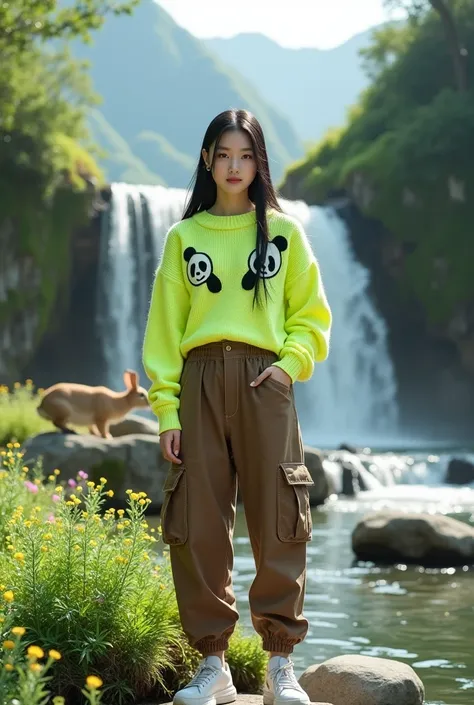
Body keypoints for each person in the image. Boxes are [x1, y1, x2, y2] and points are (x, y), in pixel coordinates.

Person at [142, 108, 332, 705]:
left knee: (280, 514)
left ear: (259, 163)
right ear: (207, 160)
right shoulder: (184, 238)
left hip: (263, 381)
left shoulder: (284, 232)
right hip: (197, 379)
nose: (233, 166)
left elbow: (311, 316)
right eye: (223, 155)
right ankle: (213, 666)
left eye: (244, 155)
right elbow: (164, 333)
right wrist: (167, 411)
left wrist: (287, 365)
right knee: (198, 520)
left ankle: (280, 665)